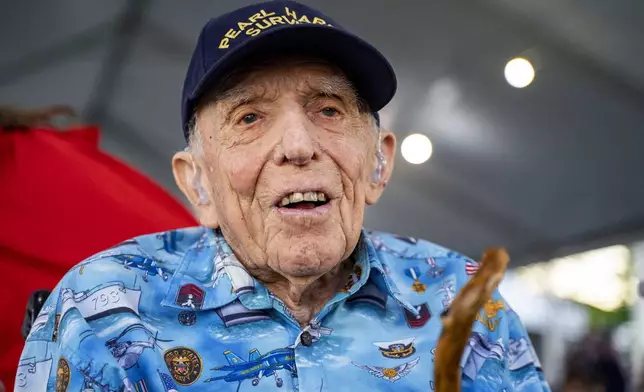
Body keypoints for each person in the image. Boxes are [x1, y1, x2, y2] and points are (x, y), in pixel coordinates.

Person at [15, 2, 549, 391]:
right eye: (249, 117)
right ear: (197, 182)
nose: (297, 146)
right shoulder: (104, 311)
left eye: (329, 110)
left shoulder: (465, 302)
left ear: (379, 162)